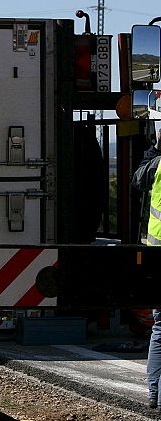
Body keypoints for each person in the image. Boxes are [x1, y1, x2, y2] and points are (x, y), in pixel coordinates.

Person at [133, 131, 161, 409]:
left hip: (156, 254)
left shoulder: (157, 165)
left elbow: (138, 179)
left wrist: (155, 148)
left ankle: (154, 393)